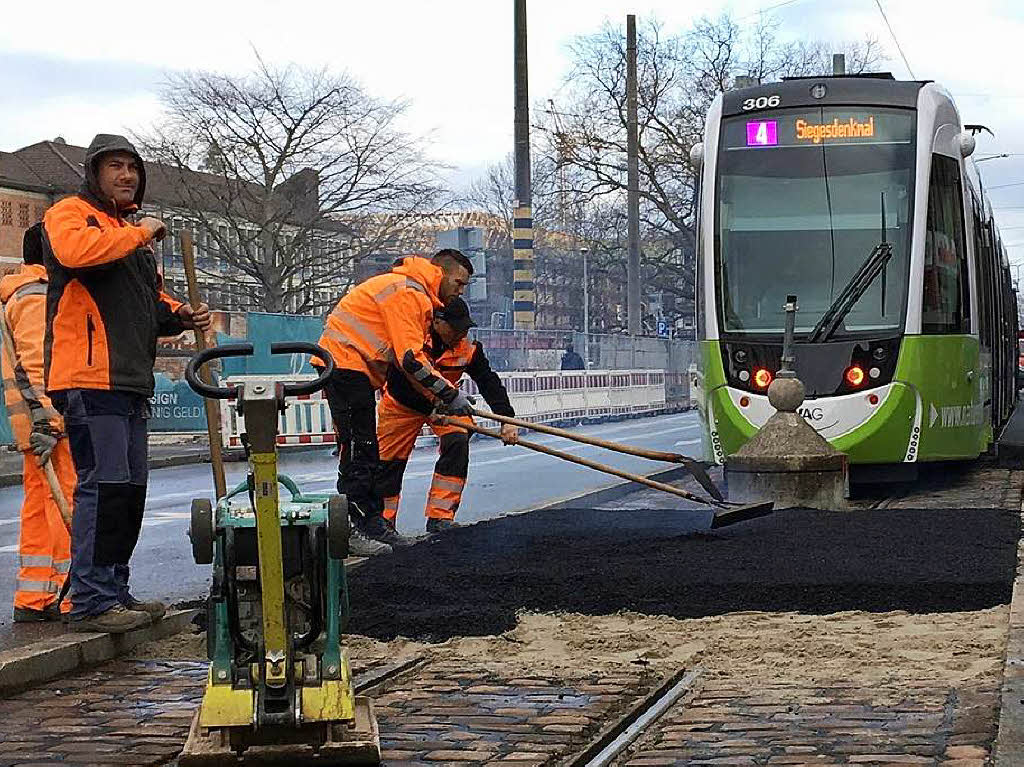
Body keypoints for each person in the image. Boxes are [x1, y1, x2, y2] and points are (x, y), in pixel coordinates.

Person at [42, 134, 211, 634]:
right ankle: (92, 599)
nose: (126, 175)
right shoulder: (71, 215)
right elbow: (77, 254)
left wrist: (182, 313)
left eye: (132, 167)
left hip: (129, 379)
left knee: (130, 490)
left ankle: (114, 589)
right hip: (88, 376)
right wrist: (140, 234)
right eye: (115, 166)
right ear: (94, 174)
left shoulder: (127, 236)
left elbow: (148, 302)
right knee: (105, 485)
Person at [317, 249, 476, 553]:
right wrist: (449, 394)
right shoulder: (409, 294)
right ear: (440, 272)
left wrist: (437, 401)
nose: (460, 290)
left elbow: (408, 363)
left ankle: (372, 524)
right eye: (459, 282)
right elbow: (409, 360)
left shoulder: (413, 292)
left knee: (365, 449)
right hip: (346, 364)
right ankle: (354, 529)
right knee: (359, 450)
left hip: (351, 365)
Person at [376, 298, 518, 533]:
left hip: (447, 404)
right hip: (403, 405)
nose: (461, 335)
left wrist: (506, 420)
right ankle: (382, 524)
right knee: (389, 463)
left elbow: (487, 381)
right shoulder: (414, 339)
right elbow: (401, 385)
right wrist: (433, 408)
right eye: (457, 328)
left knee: (458, 438)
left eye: (465, 329)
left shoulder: (467, 347)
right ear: (439, 323)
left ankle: (440, 516)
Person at [2, 225, 77, 622]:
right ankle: (70, 596)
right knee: (68, 501)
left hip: (35, 424)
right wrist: (50, 421)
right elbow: (36, 363)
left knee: (41, 506)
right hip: (52, 423)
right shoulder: (37, 295)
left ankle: (35, 596)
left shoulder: (23, 293)